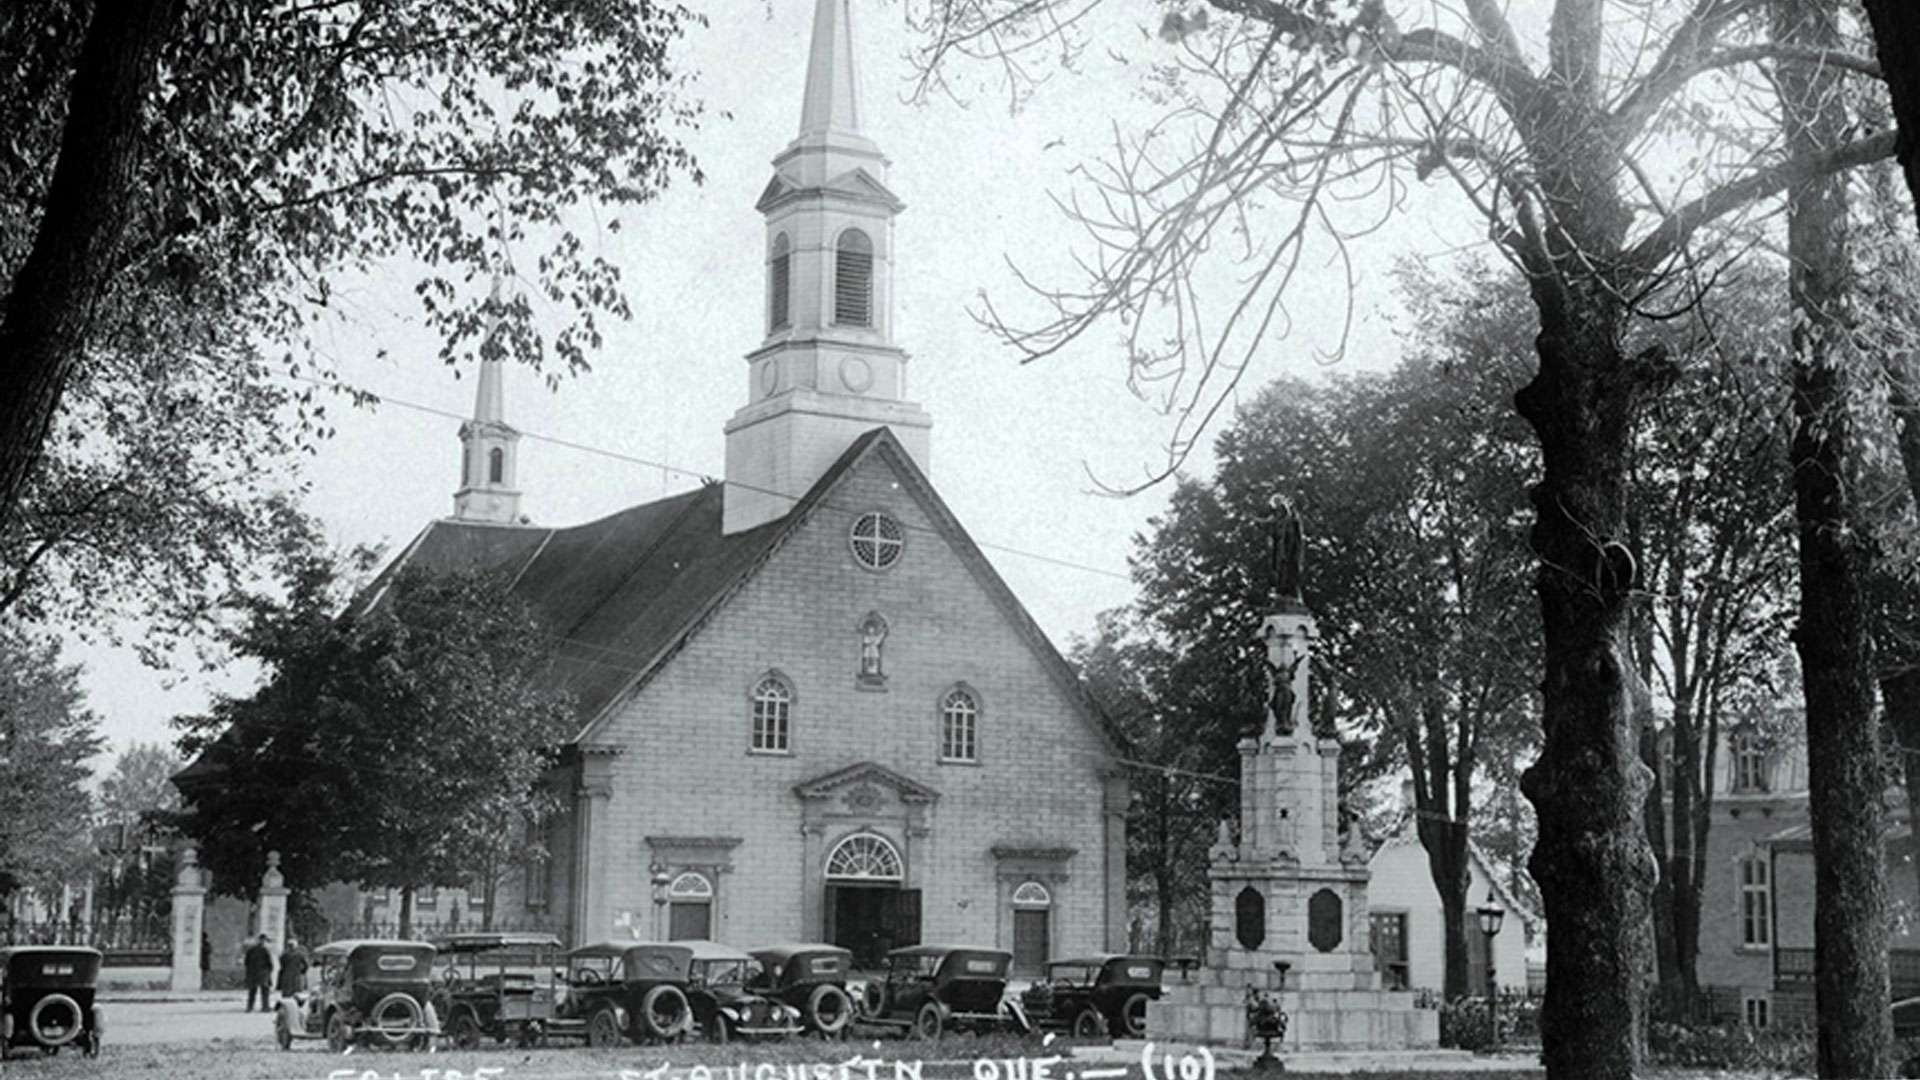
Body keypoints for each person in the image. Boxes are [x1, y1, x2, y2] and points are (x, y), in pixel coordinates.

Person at [243, 934, 273, 1012]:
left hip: (253, 973)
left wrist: (249, 970)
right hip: (263, 973)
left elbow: (246, 962)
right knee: (265, 991)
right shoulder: (265, 950)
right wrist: (269, 971)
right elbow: (269, 963)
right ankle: (265, 1006)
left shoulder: (251, 950)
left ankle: (250, 1007)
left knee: (252, 991)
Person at [276, 938, 308, 1004]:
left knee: (286, 993)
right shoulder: (299, 954)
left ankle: (285, 1005)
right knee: (295, 993)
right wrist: (302, 971)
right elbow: (306, 965)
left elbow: (281, 964)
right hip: (296, 975)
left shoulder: (284, 955)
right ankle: (295, 1006)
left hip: (286, 975)